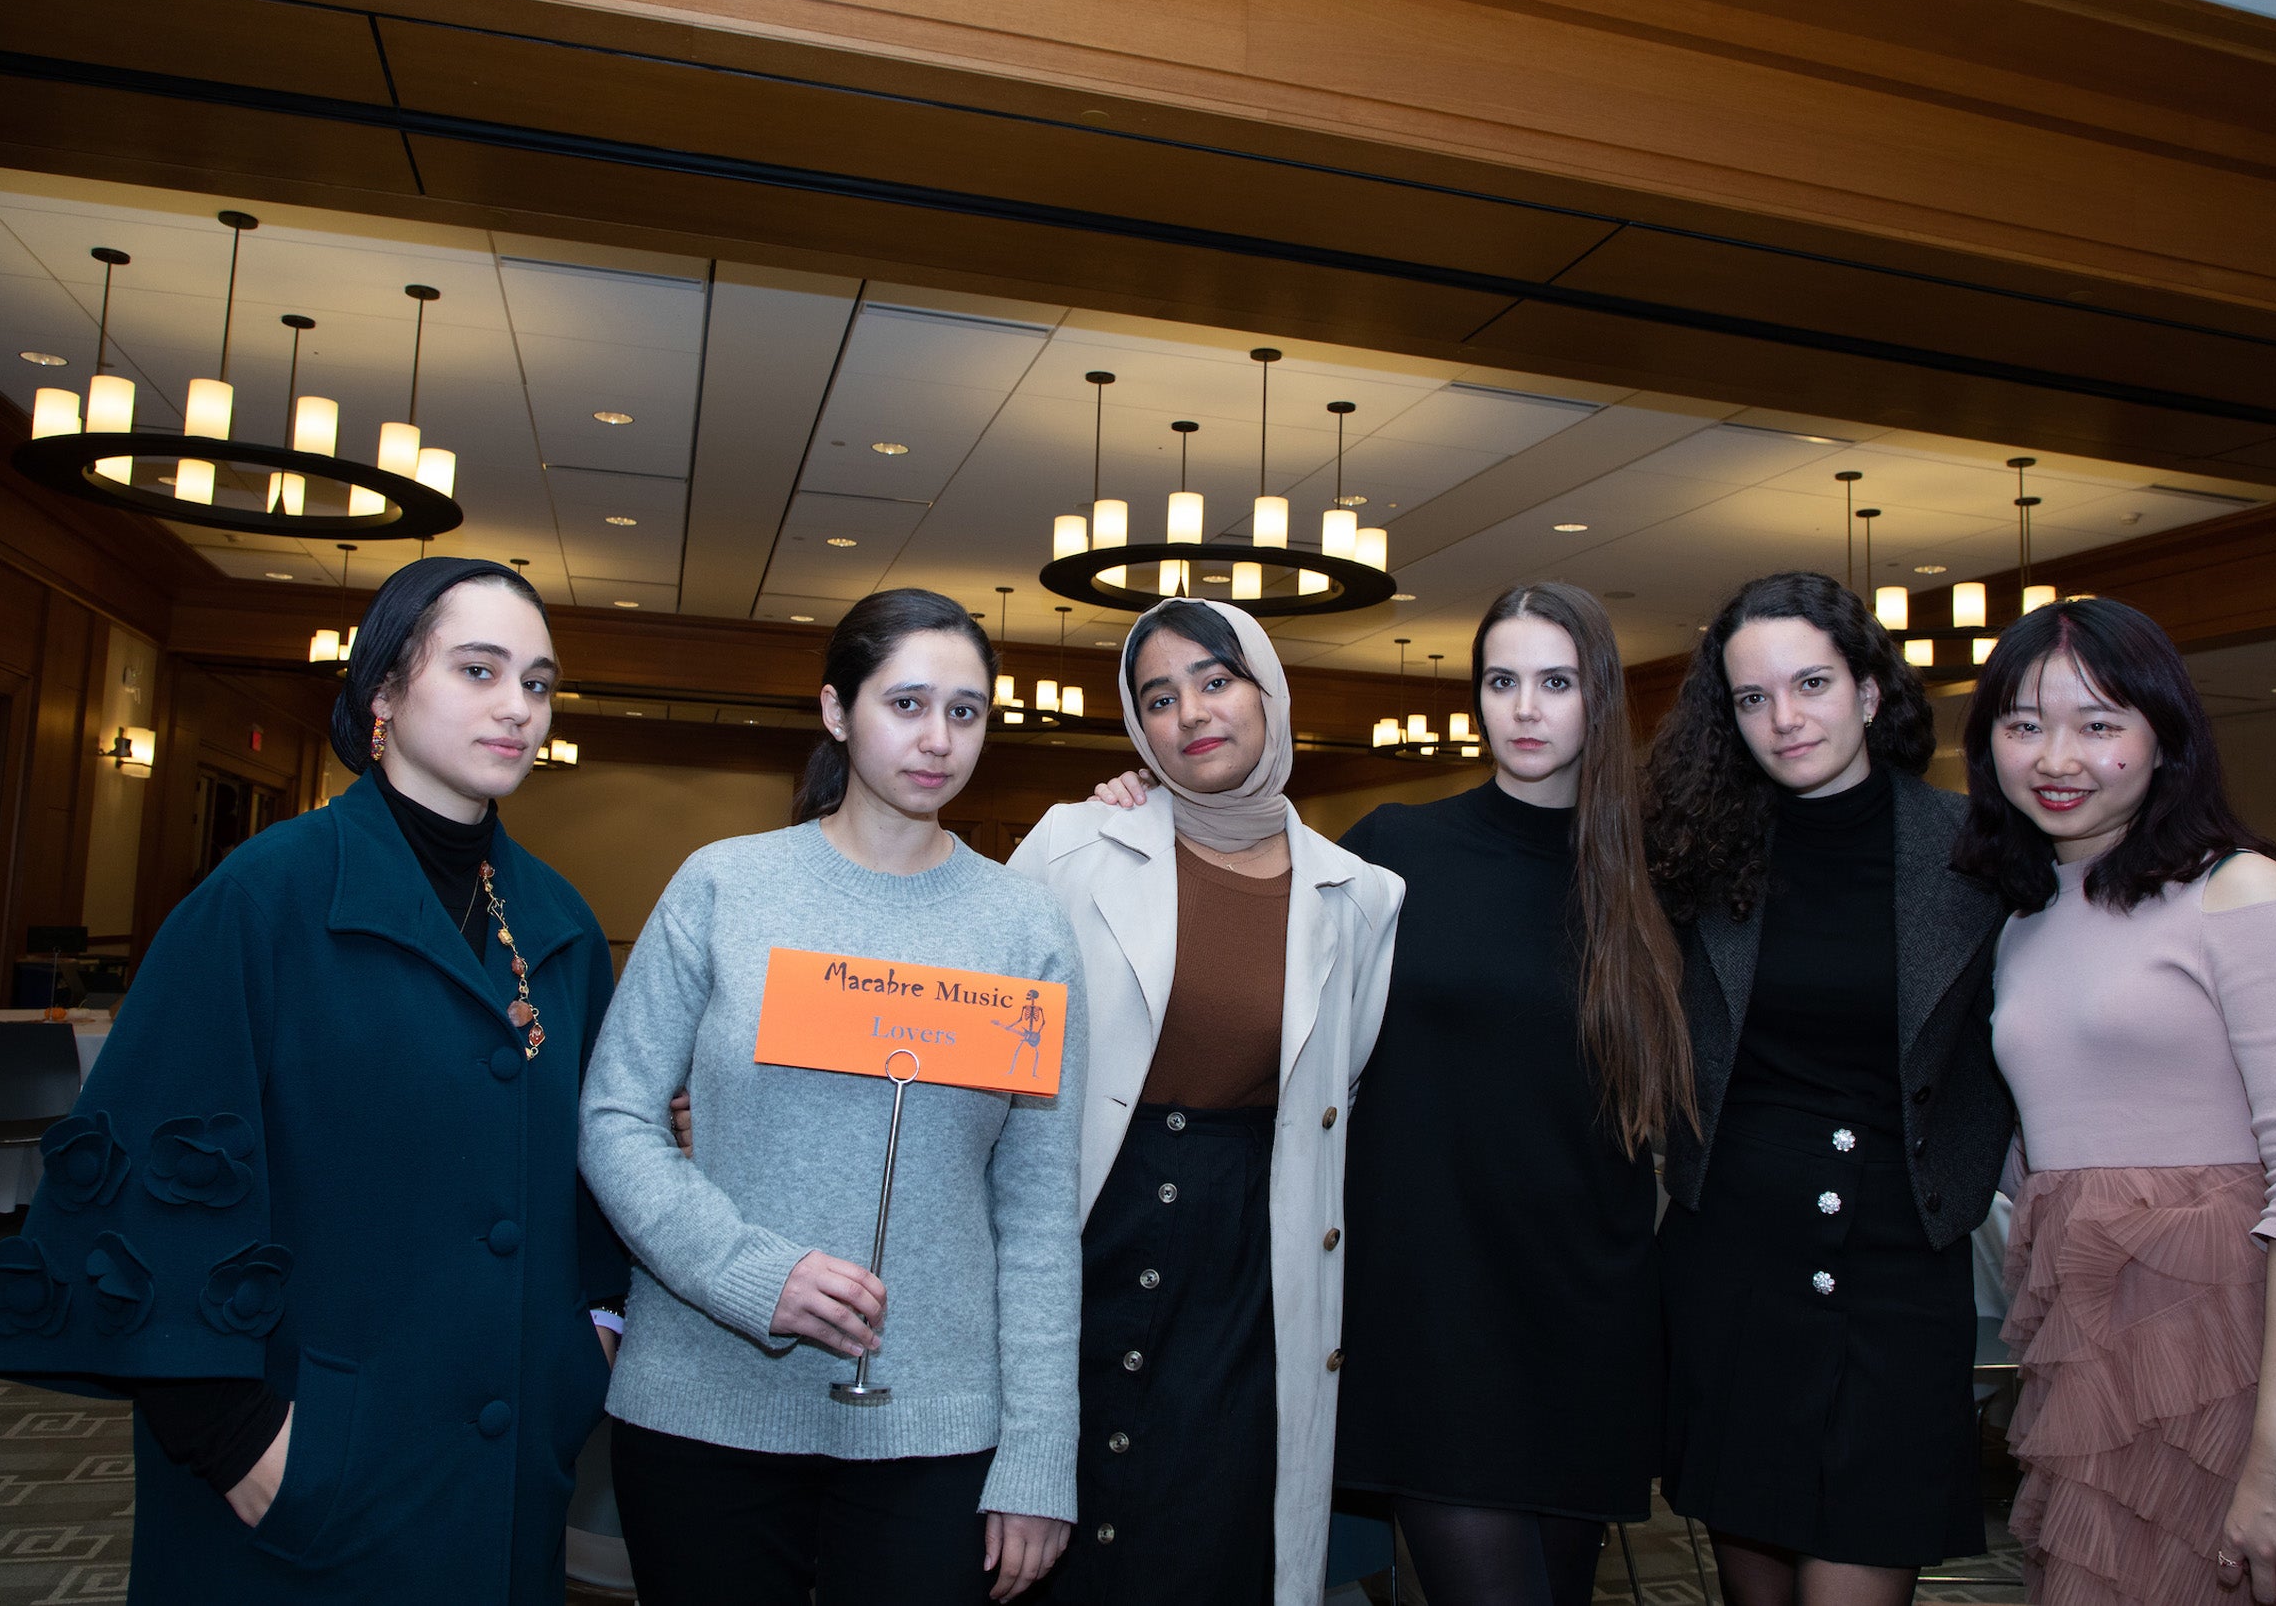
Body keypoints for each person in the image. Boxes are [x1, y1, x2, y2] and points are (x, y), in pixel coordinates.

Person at [0, 558, 623, 1603]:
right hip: (304, 1461)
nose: (518, 707)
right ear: (383, 691)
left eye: (539, 681)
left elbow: (595, 1159)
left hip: (502, 1463)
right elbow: (156, 1183)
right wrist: (234, 1439)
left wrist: (592, 1336)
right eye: (478, 668)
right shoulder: (262, 897)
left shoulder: (556, 923)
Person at [579, 587, 1086, 1606]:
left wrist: (1040, 1454)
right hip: (703, 1408)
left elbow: (1036, 1212)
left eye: (966, 709)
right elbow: (615, 1117)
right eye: (906, 703)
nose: (938, 737)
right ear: (834, 709)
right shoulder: (726, 885)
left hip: (933, 1425)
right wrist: (750, 1273)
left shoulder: (1025, 926)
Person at [1959, 596, 2276, 1606]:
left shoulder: (2243, 892)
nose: (2058, 755)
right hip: (2097, 1353)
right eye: (2024, 725)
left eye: (2099, 723)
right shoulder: (2020, 923)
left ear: (2163, 738)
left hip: (2245, 1344)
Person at [1011, 597, 1403, 1606]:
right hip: (1087, 1227)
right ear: (1139, 729)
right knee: (1050, 1530)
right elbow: (989, 1030)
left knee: (1207, 1532)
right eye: (1160, 695)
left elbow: (1340, 1090)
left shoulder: (1360, 895)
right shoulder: (1073, 846)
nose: (1192, 710)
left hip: (1246, 1262)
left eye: (1215, 680)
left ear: (1267, 690)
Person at [1641, 569, 2012, 1606]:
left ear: (1871, 691)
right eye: (1753, 698)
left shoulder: (1977, 847)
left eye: (1810, 682)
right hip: (1734, 1260)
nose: (1785, 718)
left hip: (1902, 1264)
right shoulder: (1697, 849)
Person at [1332, 582, 1694, 1606]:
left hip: (1586, 1299)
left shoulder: (1652, 874)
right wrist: (1136, 811)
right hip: (1431, 1298)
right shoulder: (1395, 849)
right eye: (1502, 680)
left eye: (1555, 681)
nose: (1525, 708)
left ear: (1600, 699)